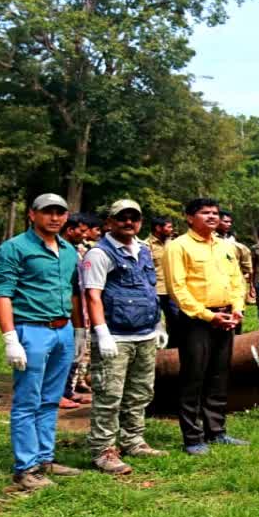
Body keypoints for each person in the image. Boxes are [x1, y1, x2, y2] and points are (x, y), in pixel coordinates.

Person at [0, 193, 86, 491]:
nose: (55, 217)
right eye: (48, 212)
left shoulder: (69, 250)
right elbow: (3, 294)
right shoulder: (15, 248)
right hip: (31, 329)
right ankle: (26, 468)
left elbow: (73, 292)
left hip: (62, 330)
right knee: (27, 401)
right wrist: (10, 338)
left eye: (60, 212)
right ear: (33, 215)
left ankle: (45, 458)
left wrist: (80, 330)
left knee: (50, 398)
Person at [81, 200, 170, 474]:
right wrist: (102, 333)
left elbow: (149, 291)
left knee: (141, 391)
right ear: (110, 221)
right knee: (109, 394)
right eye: (122, 218)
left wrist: (158, 325)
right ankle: (103, 449)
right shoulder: (99, 253)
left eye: (134, 218)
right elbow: (92, 294)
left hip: (144, 334)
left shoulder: (143, 251)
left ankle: (133, 439)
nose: (128, 222)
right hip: (115, 337)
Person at [164, 198, 248, 455]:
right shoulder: (178, 246)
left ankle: (217, 431)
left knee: (219, 376)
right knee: (194, 378)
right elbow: (177, 288)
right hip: (196, 321)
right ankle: (192, 437)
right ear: (189, 218)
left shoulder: (225, 246)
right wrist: (207, 315)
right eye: (205, 213)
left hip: (226, 318)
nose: (212, 217)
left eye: (215, 213)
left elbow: (237, 281)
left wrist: (237, 308)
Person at [59, 214, 93, 409]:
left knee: (75, 352)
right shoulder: (61, 251)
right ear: (70, 230)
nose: (85, 234)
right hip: (64, 309)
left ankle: (67, 391)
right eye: (81, 230)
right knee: (64, 355)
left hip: (79, 307)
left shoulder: (76, 251)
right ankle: (56, 394)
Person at [217, 210, 255, 313]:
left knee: (237, 312)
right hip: (215, 286)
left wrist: (251, 285)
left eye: (230, 222)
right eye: (225, 221)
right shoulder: (207, 241)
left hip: (234, 284)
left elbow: (248, 267)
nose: (228, 224)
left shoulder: (236, 245)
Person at [147, 216, 180, 333]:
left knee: (176, 319)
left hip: (172, 289)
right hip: (154, 290)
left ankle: (174, 348)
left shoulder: (174, 244)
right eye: (169, 227)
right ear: (158, 228)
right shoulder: (146, 245)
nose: (171, 229)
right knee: (152, 320)